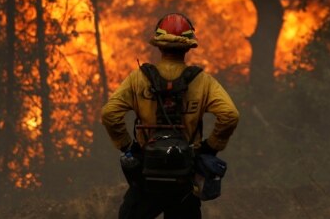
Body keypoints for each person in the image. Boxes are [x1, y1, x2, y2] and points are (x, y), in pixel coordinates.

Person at [101, 13, 240, 219]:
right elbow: (230, 115)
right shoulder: (203, 82)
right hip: (185, 179)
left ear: (159, 45)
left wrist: (128, 147)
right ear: (188, 46)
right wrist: (210, 147)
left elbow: (109, 114)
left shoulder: (138, 79)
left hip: (146, 176)